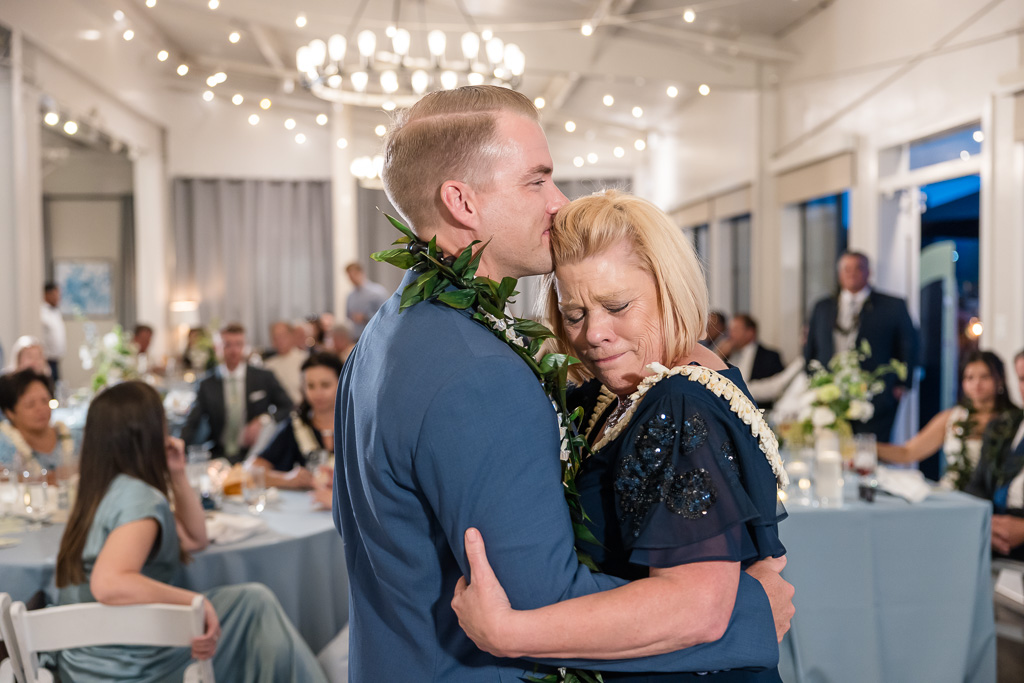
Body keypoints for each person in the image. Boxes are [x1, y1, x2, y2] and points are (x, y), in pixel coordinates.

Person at [334, 85, 791, 681]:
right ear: (462, 201)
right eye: (537, 180)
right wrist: (749, 612)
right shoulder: (478, 372)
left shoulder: (389, 333)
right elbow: (537, 600)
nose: (558, 201)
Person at [451, 190, 788, 682]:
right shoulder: (637, 386)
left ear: (671, 288)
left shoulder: (677, 402)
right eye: (574, 314)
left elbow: (695, 609)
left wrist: (509, 633)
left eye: (616, 305)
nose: (594, 334)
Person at [53, 381, 327, 682]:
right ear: (146, 432)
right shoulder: (139, 498)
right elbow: (109, 583)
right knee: (255, 605)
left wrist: (177, 474)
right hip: (129, 661)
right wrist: (195, 603)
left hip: (84, 656)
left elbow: (196, 538)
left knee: (250, 603)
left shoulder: (100, 490)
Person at [804, 252, 918, 441]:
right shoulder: (822, 307)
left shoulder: (892, 306)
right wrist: (813, 381)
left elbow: (909, 344)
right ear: (839, 273)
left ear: (868, 272)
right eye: (846, 269)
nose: (852, 273)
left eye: (858, 268)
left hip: (877, 396)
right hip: (830, 395)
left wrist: (901, 384)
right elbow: (811, 347)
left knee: (872, 448)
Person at [877, 351, 1021, 491]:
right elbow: (907, 452)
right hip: (952, 491)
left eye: (985, 377)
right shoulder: (953, 417)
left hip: (993, 499)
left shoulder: (1013, 421)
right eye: (969, 378)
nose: (977, 384)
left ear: (1000, 379)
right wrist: (867, 446)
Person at [181, 323, 293, 463]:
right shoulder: (206, 384)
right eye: (227, 345)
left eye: (239, 344)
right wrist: (179, 449)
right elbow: (191, 422)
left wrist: (264, 420)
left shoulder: (263, 377)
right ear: (217, 348)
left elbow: (289, 407)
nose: (234, 350)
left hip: (257, 453)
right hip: (219, 454)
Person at [247, 352, 342, 490]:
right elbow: (252, 468)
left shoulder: (357, 428)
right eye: (311, 386)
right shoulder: (294, 427)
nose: (318, 393)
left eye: (325, 385)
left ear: (342, 384)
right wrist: (287, 479)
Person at [0, 368, 77, 477]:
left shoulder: (74, 437)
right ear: (10, 412)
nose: (41, 409)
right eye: (30, 405)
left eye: (45, 400)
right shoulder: (4, 447)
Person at [718, 314, 785, 409]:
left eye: (735, 330)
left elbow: (776, 388)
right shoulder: (726, 354)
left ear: (750, 332)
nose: (730, 335)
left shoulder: (769, 356)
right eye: (730, 330)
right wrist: (720, 355)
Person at [263, 321, 308, 405]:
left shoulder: (304, 359)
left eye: (282, 336)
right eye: (275, 337)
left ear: (291, 336)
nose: (279, 340)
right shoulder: (268, 365)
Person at [344, 262, 389, 339]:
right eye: (349, 276)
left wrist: (365, 317)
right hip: (357, 337)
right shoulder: (350, 296)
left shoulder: (378, 292)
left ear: (361, 273)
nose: (351, 278)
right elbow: (348, 315)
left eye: (354, 274)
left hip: (374, 336)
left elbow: (386, 314)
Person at [40, 282, 67, 382]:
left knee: (57, 386)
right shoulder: (42, 312)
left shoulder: (56, 312)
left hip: (56, 358)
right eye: (56, 294)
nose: (58, 297)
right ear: (47, 294)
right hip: (47, 359)